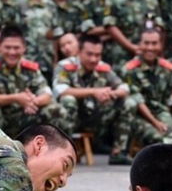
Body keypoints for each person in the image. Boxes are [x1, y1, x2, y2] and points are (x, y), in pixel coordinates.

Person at [0, 25, 68, 137]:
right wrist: (16, 98)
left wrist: (33, 101)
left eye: (16, 48)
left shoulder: (31, 68)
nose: (12, 52)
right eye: (7, 47)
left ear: (24, 48)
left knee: (55, 110)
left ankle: (53, 150)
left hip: (25, 115)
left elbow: (47, 94)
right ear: (0, 46)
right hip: (0, 119)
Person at [53, 34, 133, 165]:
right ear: (79, 51)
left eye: (98, 55)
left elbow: (124, 88)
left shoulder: (103, 67)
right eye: (89, 54)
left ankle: (118, 153)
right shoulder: (65, 66)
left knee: (129, 102)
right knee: (68, 99)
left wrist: (110, 93)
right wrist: (94, 92)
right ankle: (64, 151)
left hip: (97, 118)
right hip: (74, 117)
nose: (94, 59)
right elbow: (60, 90)